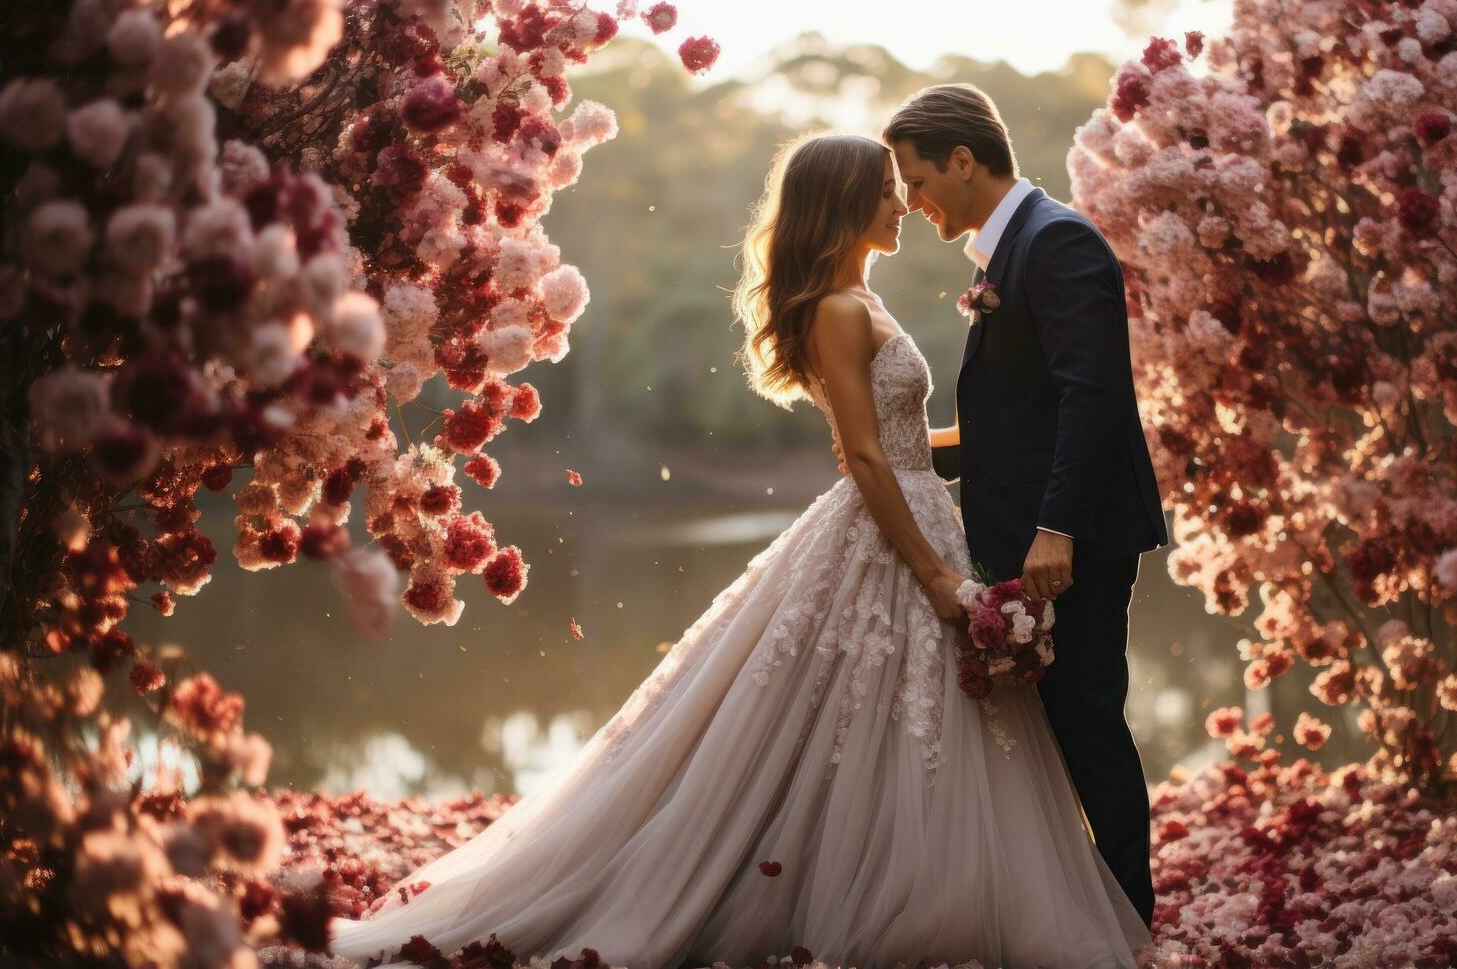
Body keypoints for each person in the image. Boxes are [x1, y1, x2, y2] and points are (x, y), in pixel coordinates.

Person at [327, 132, 1152, 969]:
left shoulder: (862, 297)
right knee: (854, 709)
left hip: (927, 508)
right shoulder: (835, 308)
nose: (901, 201)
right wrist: (939, 575)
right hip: (894, 533)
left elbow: (902, 442)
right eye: (885, 189)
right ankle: (839, 893)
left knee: (913, 717)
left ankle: (919, 883)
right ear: (843, 202)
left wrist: (1015, 450)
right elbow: (865, 456)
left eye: (905, 185)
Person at [882, 84, 1169, 927]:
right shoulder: (1009, 254)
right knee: (1058, 732)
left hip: (1067, 543)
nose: (910, 201)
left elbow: (1094, 400)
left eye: (915, 178)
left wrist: (1056, 531)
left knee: (1087, 729)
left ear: (961, 161)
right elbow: (1022, 421)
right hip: (1030, 536)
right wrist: (904, 457)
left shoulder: (1057, 242)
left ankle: (1129, 922)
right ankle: (1088, 914)